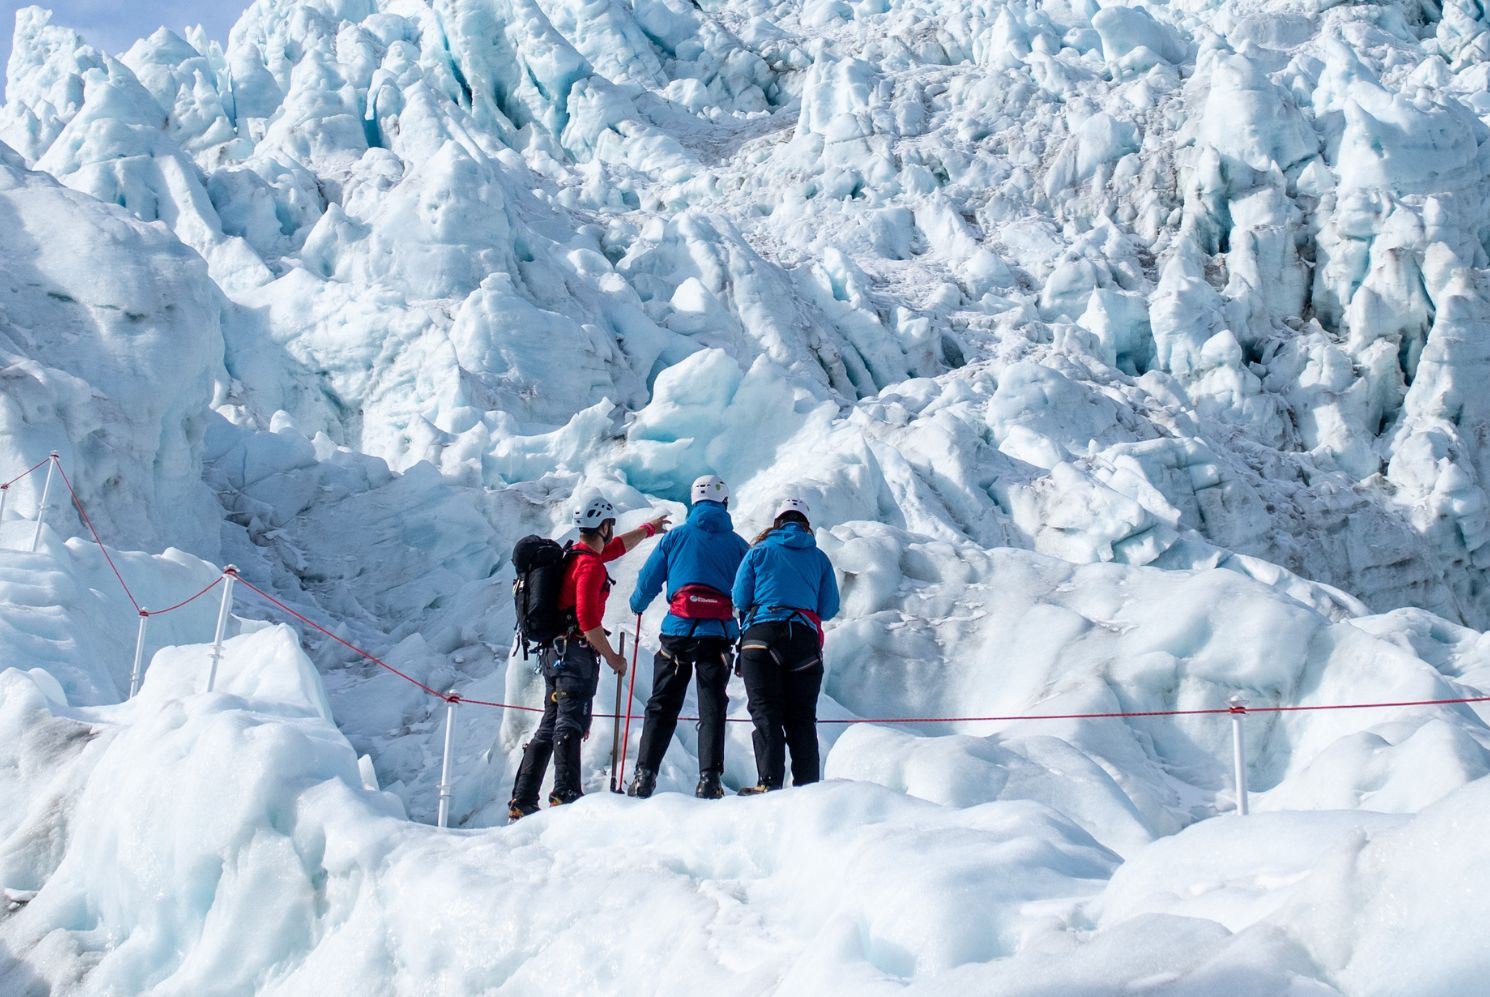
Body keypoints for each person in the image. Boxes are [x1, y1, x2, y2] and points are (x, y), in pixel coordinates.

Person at [508, 495, 670, 821]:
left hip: (555, 654)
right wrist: (613, 658)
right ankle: (565, 792)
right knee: (570, 720)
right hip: (575, 655)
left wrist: (648, 530)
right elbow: (586, 619)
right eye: (611, 525)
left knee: (549, 724)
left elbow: (618, 548)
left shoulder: (577, 555)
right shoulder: (589, 566)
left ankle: (523, 799)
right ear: (604, 526)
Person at [627, 475, 750, 800]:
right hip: (718, 635)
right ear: (724, 503)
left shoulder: (676, 537)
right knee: (712, 707)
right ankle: (709, 780)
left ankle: (644, 776)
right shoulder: (738, 544)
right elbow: (751, 591)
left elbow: (649, 578)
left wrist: (637, 604)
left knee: (662, 704)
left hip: (678, 632)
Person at [731, 497, 840, 795]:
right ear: (805, 524)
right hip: (803, 643)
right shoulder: (818, 558)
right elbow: (829, 608)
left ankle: (769, 782)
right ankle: (808, 789)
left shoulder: (759, 552)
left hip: (760, 639)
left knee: (766, 712)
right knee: (802, 718)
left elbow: (740, 598)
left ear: (776, 523)